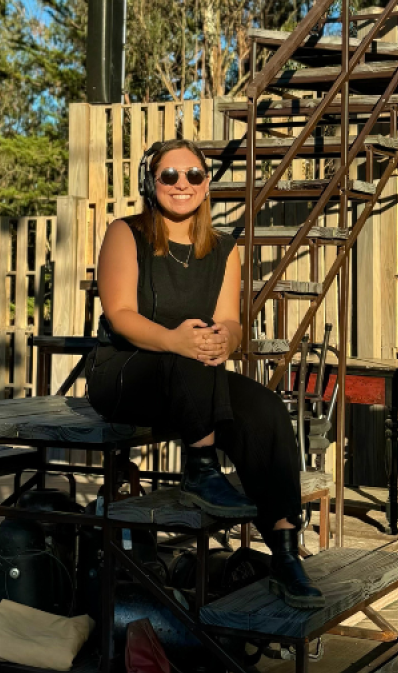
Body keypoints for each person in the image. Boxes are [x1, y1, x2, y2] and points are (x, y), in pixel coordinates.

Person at [86, 139, 324, 609]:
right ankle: (200, 468)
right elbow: (119, 314)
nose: (182, 184)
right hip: (124, 370)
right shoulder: (126, 232)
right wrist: (177, 339)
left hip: (190, 373)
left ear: (206, 183)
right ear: (150, 185)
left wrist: (227, 341)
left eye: (193, 175)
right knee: (192, 352)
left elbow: (230, 321)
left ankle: (283, 549)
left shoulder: (223, 249)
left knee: (264, 409)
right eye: (168, 176)